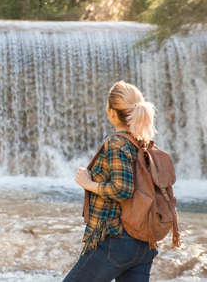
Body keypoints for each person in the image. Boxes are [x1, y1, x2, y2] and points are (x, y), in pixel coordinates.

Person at [63, 80, 159, 282]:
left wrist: (88, 183)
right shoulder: (144, 144)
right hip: (143, 244)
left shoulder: (116, 143)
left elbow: (123, 189)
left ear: (112, 112)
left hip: (115, 241)